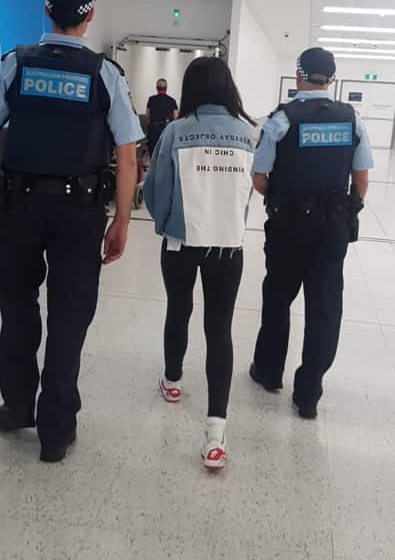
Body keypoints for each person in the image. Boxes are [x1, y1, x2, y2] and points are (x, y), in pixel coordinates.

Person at [0, 0, 142, 462]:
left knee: (17, 305)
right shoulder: (105, 74)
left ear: (47, 11)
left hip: (17, 208)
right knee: (70, 315)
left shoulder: (15, 64)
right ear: (89, 15)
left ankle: (19, 405)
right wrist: (123, 220)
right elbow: (126, 156)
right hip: (79, 213)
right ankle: (56, 428)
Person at [250, 47, 374, 419]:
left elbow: (259, 177)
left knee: (277, 299)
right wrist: (347, 208)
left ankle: (269, 373)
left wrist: (278, 197)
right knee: (324, 308)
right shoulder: (352, 119)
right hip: (332, 228)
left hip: (287, 226)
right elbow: (362, 178)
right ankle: (308, 395)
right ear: (332, 79)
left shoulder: (280, 120)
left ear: (300, 74)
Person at [144, 57, 256, 469]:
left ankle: (173, 381)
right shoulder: (249, 134)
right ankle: (215, 432)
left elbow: (157, 189)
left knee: (179, 308)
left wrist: (168, 224)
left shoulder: (176, 131)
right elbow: (248, 193)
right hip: (228, 245)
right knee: (219, 327)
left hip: (180, 241)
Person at [145, 78, 178, 156]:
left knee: (153, 154)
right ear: (166, 88)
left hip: (153, 131)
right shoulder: (172, 101)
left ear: (156, 88)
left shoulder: (151, 99)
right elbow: (176, 117)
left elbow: (147, 116)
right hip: (167, 131)